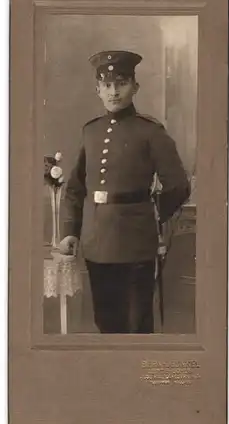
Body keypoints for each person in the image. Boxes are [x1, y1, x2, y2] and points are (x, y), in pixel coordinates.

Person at [59, 50, 190, 334]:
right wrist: (70, 231)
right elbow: (74, 188)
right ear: (98, 90)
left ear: (135, 87)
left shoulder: (151, 132)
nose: (113, 92)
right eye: (106, 85)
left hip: (136, 244)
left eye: (120, 83)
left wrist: (154, 215)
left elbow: (178, 184)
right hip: (96, 242)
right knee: (106, 323)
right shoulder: (90, 132)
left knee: (136, 325)